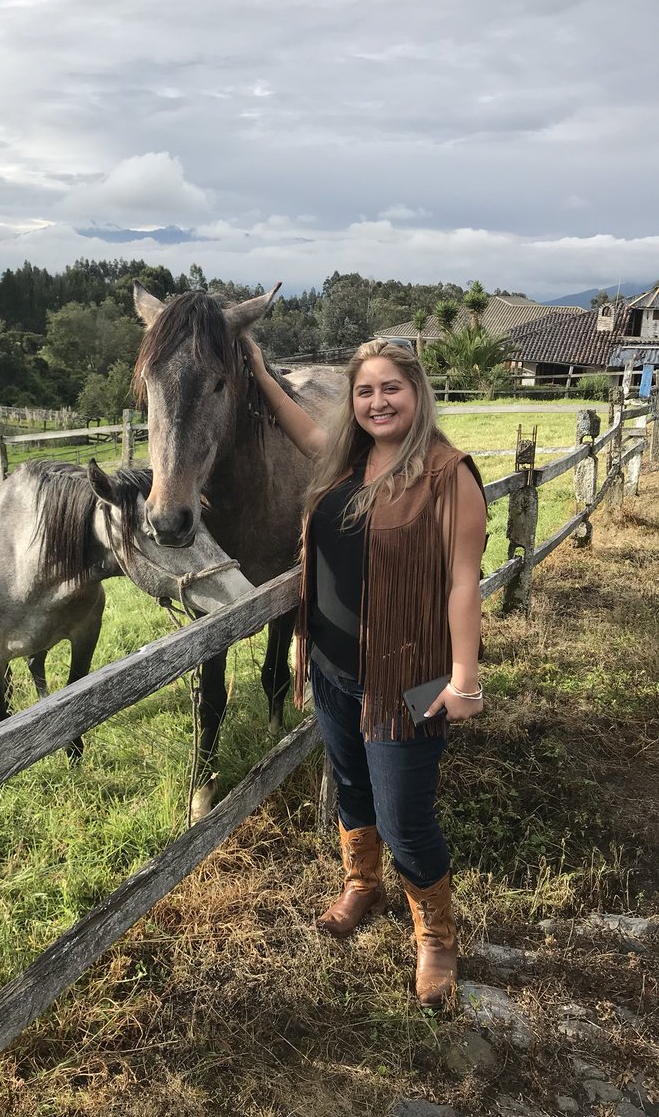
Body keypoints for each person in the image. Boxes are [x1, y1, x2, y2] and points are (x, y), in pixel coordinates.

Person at [245, 336, 487, 1006]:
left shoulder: (447, 473)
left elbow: (463, 584)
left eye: (391, 388)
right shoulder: (344, 461)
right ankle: (363, 885)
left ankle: (435, 937)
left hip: (409, 674)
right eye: (366, 391)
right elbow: (302, 429)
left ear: (418, 394)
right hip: (331, 663)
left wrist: (464, 679)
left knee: (405, 815)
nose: (378, 401)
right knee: (351, 782)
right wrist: (262, 371)